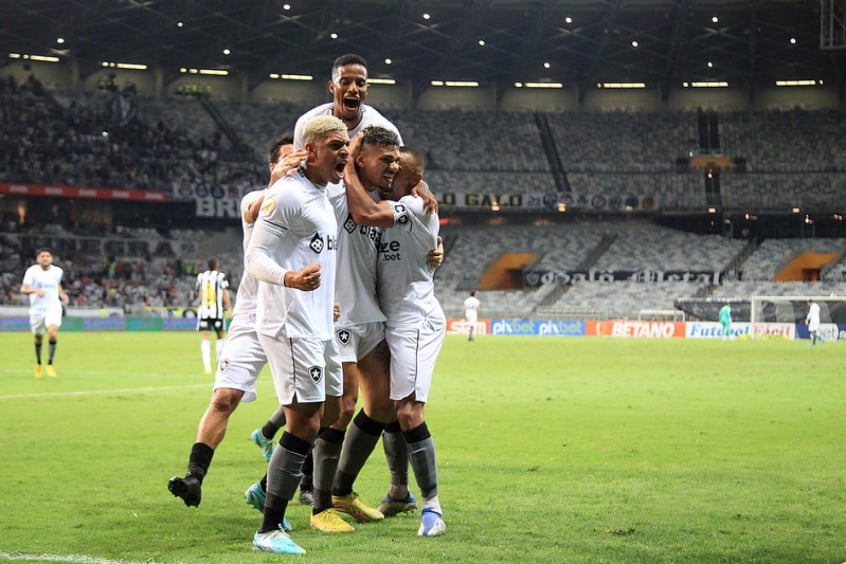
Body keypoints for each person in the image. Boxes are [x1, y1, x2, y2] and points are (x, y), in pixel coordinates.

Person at [168, 135, 303, 513]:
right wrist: (279, 181)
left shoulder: (315, 203)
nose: (296, 165)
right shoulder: (256, 198)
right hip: (252, 315)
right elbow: (255, 211)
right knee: (224, 397)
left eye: (300, 159)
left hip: (297, 318)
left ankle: (273, 486)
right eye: (288, 159)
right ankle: (194, 476)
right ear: (272, 166)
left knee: (306, 411)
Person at [245, 114, 347, 555]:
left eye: (347, 146)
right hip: (290, 323)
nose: (345, 152)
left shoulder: (323, 193)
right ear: (311, 150)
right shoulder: (286, 194)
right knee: (303, 422)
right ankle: (268, 529)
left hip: (319, 321)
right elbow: (255, 257)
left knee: (335, 408)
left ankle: (264, 486)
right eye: (337, 145)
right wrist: (289, 279)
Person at [344, 140, 447, 537]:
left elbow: (367, 214)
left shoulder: (417, 205)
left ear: (415, 178)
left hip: (414, 321)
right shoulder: (390, 201)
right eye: (385, 165)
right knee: (386, 407)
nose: (388, 173)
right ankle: (399, 492)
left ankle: (433, 508)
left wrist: (350, 167)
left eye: (395, 168)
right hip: (385, 319)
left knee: (408, 412)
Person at [293, 53, 402, 150]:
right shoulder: (307, 124)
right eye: (345, 82)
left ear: (367, 89)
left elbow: (401, 163)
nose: (353, 89)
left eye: (360, 84)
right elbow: (299, 165)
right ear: (332, 87)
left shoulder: (384, 129)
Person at [20, 248, 69, 378]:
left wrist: (61, 293)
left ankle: (50, 363)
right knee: (38, 337)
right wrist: (35, 291)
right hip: (37, 309)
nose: (45, 258)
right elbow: (23, 289)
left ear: (51, 259)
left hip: (53, 306)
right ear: (38, 259)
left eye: (47, 256)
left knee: (52, 332)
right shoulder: (32, 271)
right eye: (42, 256)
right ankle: (39, 363)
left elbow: (56, 284)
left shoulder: (58, 271)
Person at [196, 258, 232, 374]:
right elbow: (225, 293)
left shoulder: (201, 276)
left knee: (205, 337)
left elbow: (198, 291)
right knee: (220, 336)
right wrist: (229, 308)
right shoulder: (221, 276)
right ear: (217, 265)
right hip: (217, 312)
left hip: (204, 311)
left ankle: (207, 367)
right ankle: (218, 365)